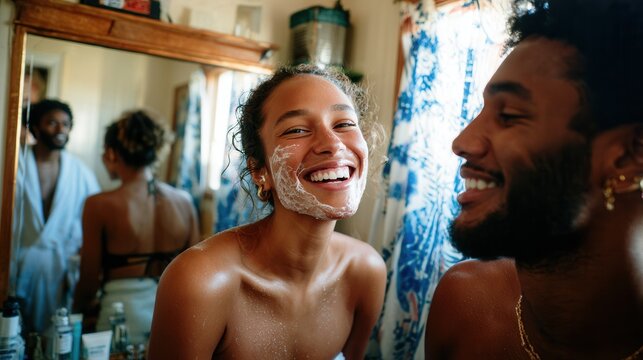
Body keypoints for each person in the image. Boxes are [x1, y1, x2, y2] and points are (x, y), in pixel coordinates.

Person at [425, 0, 643, 358]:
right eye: (481, 112)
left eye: (509, 115)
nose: (462, 143)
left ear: (628, 156)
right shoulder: (463, 302)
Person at [147, 64, 387, 359]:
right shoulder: (199, 281)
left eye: (344, 124)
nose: (333, 144)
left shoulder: (366, 272)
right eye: (297, 130)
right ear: (260, 171)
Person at [73, 110, 200, 345]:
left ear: (111, 153)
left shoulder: (98, 205)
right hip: (171, 313)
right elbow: (195, 273)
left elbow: (88, 281)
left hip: (121, 317)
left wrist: (75, 318)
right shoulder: (184, 201)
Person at [13, 99, 100, 333]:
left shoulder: (80, 173)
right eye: (52, 122)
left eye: (66, 124)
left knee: (53, 335)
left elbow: (93, 220)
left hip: (59, 269)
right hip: (17, 263)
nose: (61, 129)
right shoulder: (14, 163)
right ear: (36, 127)